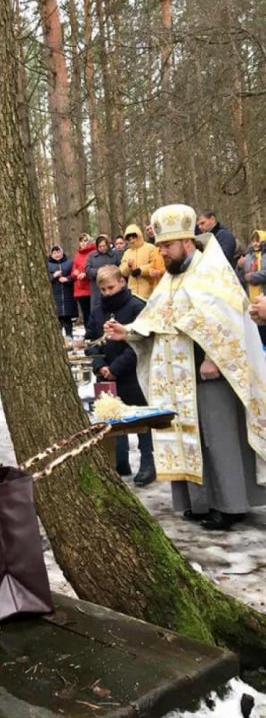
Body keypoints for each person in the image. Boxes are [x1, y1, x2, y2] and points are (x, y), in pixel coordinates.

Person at [104, 203, 266, 531]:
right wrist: (128, 333)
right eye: (160, 245)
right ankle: (201, 502)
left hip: (211, 373)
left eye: (167, 245)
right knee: (188, 438)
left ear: (187, 242)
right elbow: (156, 318)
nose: (161, 251)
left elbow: (225, 318)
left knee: (217, 438)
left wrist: (211, 359)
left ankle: (230, 506)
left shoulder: (212, 272)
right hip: (179, 376)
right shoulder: (171, 279)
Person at [85, 266, 155, 485]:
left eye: (111, 288)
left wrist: (116, 368)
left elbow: (142, 342)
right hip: (105, 375)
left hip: (133, 374)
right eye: (103, 289)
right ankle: (120, 460)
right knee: (112, 420)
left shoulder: (137, 306)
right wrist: (100, 366)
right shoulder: (97, 310)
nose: (107, 293)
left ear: (122, 283)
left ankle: (148, 462)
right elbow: (91, 340)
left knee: (142, 418)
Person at [119, 223, 164, 300]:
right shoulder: (127, 253)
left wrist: (141, 270)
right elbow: (121, 271)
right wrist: (128, 266)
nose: (132, 240)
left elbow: (156, 265)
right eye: (129, 239)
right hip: (132, 293)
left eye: (134, 237)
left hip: (149, 291)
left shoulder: (150, 248)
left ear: (139, 236)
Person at [237, 230, 266, 345]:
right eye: (253, 241)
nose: (256, 244)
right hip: (251, 299)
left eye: (258, 240)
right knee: (255, 333)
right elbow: (240, 278)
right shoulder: (247, 257)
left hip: (264, 298)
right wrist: (239, 267)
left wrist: (253, 276)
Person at [46, 245, 77, 338]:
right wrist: (53, 276)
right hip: (54, 295)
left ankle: (69, 337)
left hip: (68, 295)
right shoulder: (48, 264)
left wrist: (67, 279)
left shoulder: (69, 263)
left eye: (58, 252)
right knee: (57, 320)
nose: (57, 255)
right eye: (54, 253)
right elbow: (44, 279)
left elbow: (74, 275)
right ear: (51, 254)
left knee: (67, 319)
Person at [85, 234, 122, 306]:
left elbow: (120, 268)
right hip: (96, 288)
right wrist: (98, 271)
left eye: (104, 246)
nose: (102, 248)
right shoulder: (92, 256)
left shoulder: (115, 255)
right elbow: (87, 270)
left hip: (112, 287)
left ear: (108, 245)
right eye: (100, 247)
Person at [70, 234, 96, 324]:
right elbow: (73, 271)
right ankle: (88, 333)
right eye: (81, 241)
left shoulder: (94, 253)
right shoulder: (77, 255)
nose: (83, 243)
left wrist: (86, 274)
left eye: (85, 241)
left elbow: (95, 269)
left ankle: (95, 333)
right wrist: (75, 273)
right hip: (80, 289)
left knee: (93, 312)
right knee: (85, 313)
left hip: (91, 288)